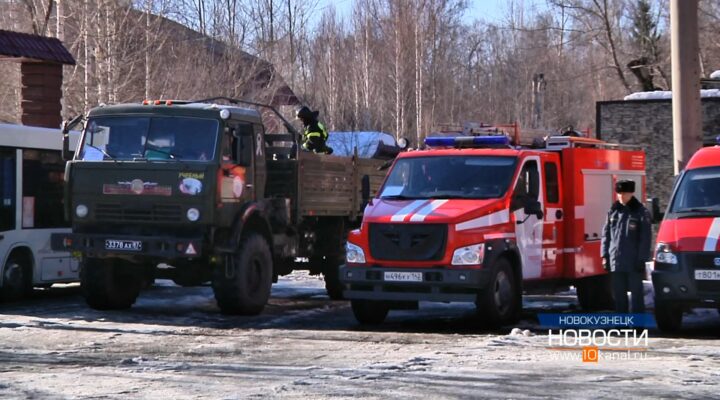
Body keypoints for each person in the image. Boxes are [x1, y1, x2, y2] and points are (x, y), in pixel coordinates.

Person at [601, 179, 651, 313]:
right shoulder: (613, 212)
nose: (621, 196)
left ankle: (637, 325)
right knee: (618, 295)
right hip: (616, 261)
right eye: (619, 193)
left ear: (631, 194)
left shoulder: (640, 212)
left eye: (624, 194)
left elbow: (645, 238)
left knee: (636, 295)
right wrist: (604, 256)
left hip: (633, 262)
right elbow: (606, 235)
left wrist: (642, 259)